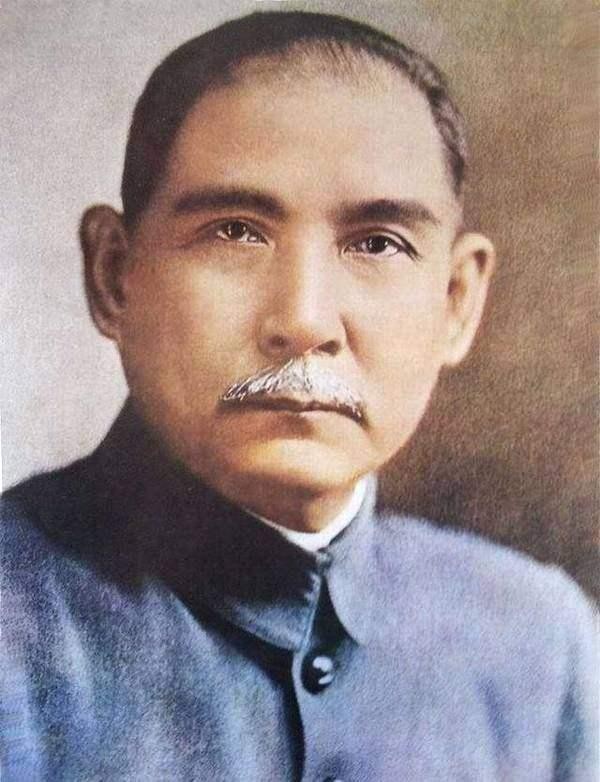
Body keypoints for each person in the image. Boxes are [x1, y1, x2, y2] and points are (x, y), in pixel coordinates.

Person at [1, 10, 596, 781]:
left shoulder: (536, 645)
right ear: (115, 276)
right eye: (235, 232)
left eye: (377, 243)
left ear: (456, 302)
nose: (304, 320)